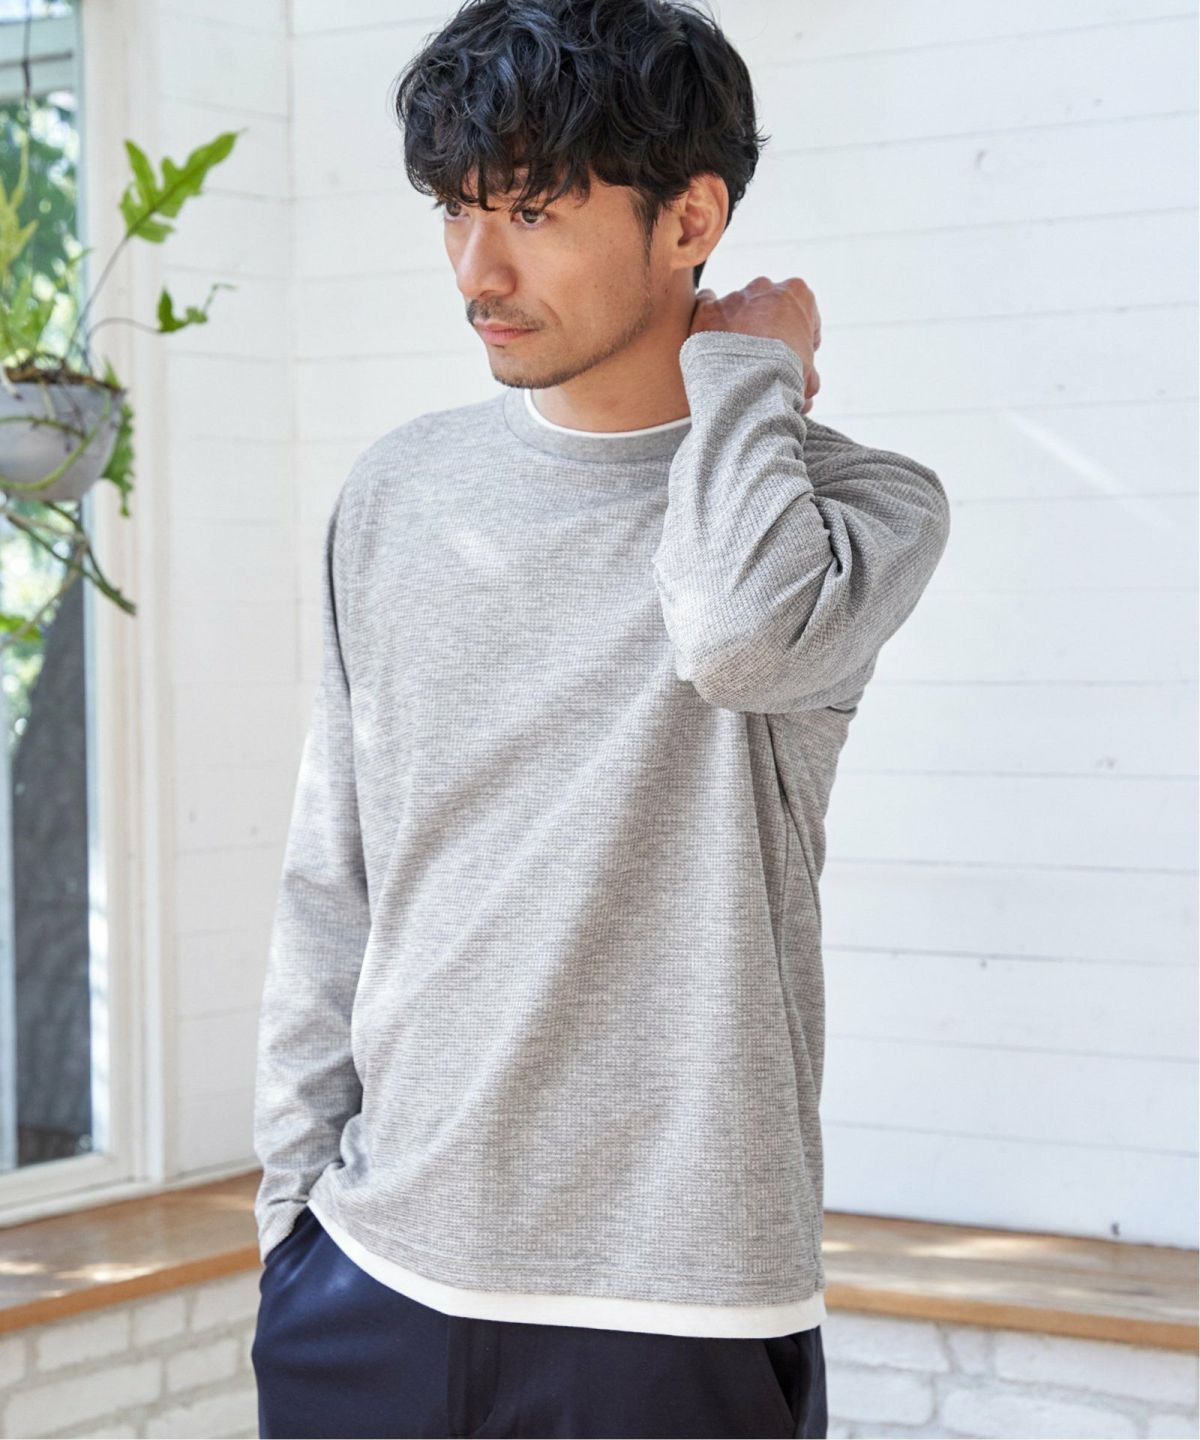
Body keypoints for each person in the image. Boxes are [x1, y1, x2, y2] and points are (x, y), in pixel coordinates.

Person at [250, 1, 951, 1436]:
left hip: (671, 1315)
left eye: (532, 211)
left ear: (691, 218)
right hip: (371, 1277)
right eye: (455, 211)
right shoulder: (399, 492)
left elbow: (737, 635)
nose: (478, 270)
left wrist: (748, 375)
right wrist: (291, 1216)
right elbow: (338, 866)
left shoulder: (856, 509)